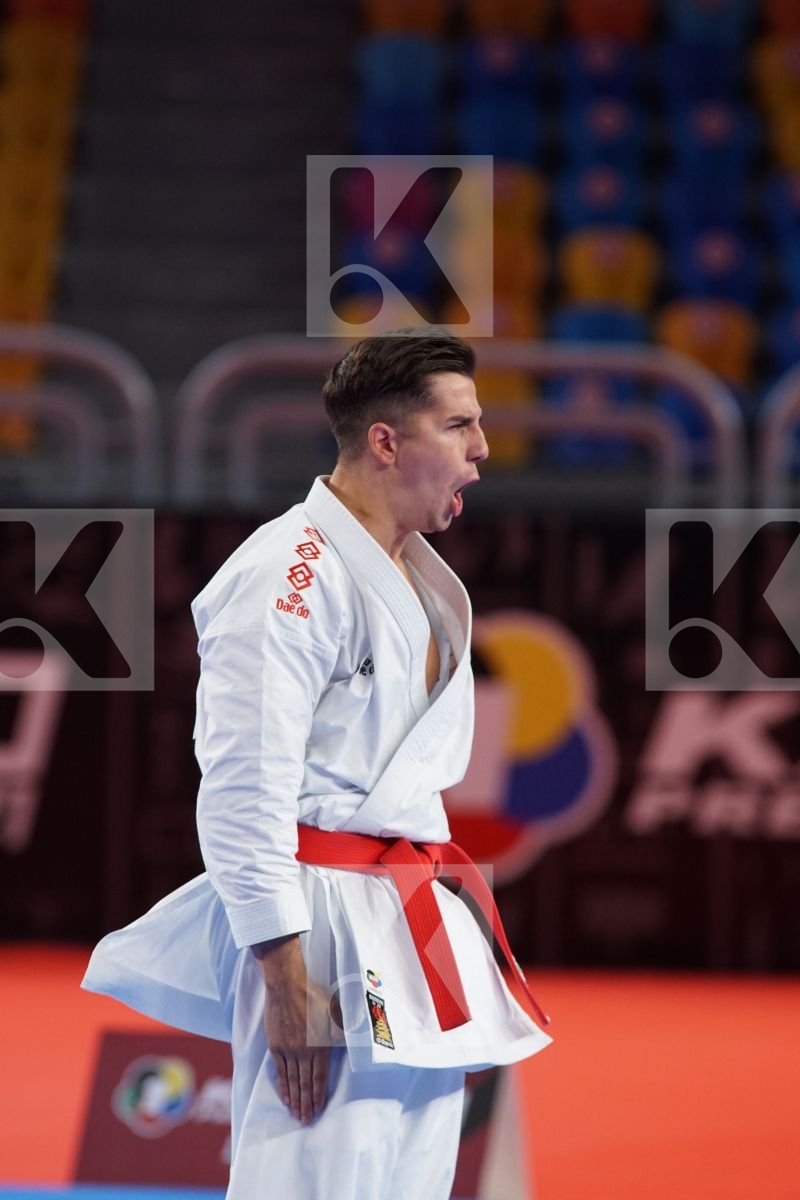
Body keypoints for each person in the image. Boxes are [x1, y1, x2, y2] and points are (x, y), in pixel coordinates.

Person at [83, 327, 552, 1200]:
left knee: (407, 1180)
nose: (483, 450)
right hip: (319, 921)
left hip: (406, 911)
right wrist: (281, 966)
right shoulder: (287, 576)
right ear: (386, 441)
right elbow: (240, 784)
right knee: (315, 1178)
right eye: (460, 427)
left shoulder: (414, 571)